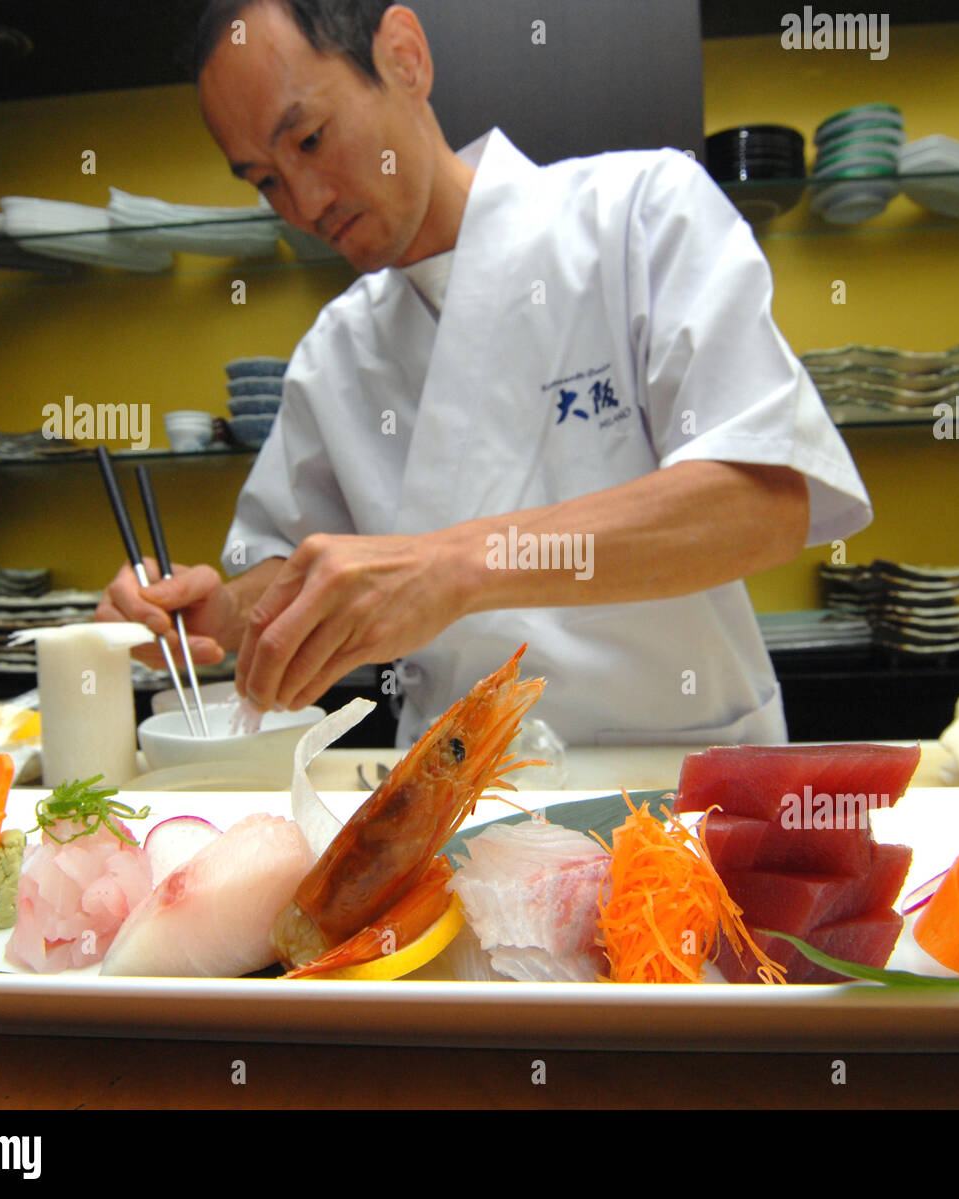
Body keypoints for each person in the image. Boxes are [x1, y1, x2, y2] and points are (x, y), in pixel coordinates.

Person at [97, 0, 872, 747]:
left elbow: (764, 500)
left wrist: (457, 566)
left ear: (404, 57)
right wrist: (208, 618)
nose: (304, 202)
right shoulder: (338, 353)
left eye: (307, 140)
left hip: (680, 775)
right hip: (455, 805)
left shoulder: (638, 213)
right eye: (264, 179)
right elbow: (288, 570)